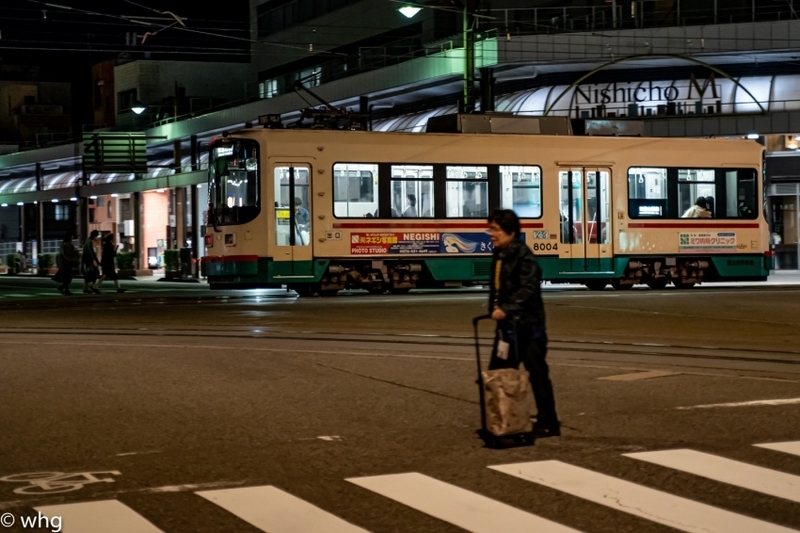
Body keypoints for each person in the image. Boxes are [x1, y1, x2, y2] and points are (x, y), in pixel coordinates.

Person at [487, 209, 560, 438]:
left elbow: (528, 288)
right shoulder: (499, 254)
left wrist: (505, 309)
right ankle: (503, 418)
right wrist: (494, 308)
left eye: (495, 229)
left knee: (537, 373)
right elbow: (498, 288)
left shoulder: (523, 255)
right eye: (490, 229)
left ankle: (549, 422)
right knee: (496, 373)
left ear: (511, 231)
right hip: (508, 327)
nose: (490, 234)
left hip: (529, 327)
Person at [55, 231, 78, 295]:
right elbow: (65, 253)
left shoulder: (64, 244)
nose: (73, 237)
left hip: (65, 262)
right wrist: (74, 253)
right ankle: (65, 289)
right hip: (67, 262)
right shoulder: (67, 244)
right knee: (68, 277)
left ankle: (64, 289)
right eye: (72, 236)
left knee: (67, 277)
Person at [80, 230, 102, 294]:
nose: (96, 238)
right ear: (93, 236)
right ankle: (93, 287)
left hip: (86, 261)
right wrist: (97, 261)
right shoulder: (89, 242)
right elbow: (91, 252)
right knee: (95, 273)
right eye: (96, 236)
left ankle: (86, 288)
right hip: (87, 261)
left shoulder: (87, 240)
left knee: (89, 275)